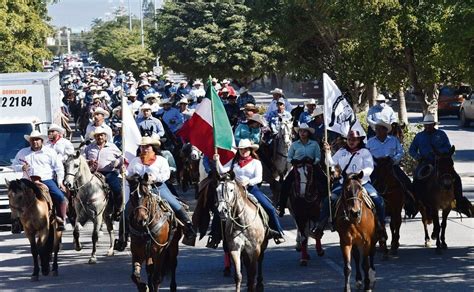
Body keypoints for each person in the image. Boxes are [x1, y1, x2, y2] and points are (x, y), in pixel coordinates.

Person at [115, 136, 196, 249]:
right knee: (126, 211)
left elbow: (166, 175)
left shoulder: (161, 160)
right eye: (142, 147)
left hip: (157, 187)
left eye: (147, 146)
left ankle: (189, 227)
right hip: (140, 190)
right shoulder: (135, 161)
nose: (144, 149)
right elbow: (129, 175)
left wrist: (155, 178)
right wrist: (124, 172)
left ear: (153, 147)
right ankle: (122, 238)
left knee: (175, 204)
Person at [312, 130, 387, 239]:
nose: (352, 142)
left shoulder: (364, 152)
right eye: (349, 139)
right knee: (330, 199)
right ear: (346, 140)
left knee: (377, 199)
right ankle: (321, 226)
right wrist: (327, 153)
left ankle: (381, 226)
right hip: (345, 183)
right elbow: (330, 163)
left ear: (359, 140)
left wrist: (361, 174)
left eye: (354, 140)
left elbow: (370, 166)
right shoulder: (342, 151)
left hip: (361, 182)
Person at [214, 139, 285, 244]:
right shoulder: (234, 162)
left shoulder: (256, 162)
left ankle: (277, 232)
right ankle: (215, 235)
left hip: (252, 189)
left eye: (246, 149)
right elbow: (222, 171)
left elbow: (259, 178)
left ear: (251, 150)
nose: (243, 151)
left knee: (269, 208)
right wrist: (217, 160)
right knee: (220, 209)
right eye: (241, 149)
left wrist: (248, 182)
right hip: (235, 191)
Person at [409, 114, 472, 217]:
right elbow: (412, 150)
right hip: (425, 162)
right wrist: (418, 157)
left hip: (440, 161)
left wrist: (439, 153)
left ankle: (458, 200)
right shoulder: (419, 136)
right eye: (426, 125)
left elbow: (447, 147)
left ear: (434, 124)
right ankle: (416, 202)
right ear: (424, 125)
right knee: (417, 178)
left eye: (430, 124)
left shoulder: (441, 134)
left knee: (456, 178)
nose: (428, 126)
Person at [13, 130, 67, 231]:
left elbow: (59, 168)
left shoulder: (50, 152)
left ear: (42, 141)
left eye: (37, 139)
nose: (35, 142)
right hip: (27, 180)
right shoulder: (23, 152)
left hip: (45, 179)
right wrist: (21, 167)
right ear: (30, 141)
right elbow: (14, 165)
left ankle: (61, 219)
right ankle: (16, 221)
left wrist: (60, 181)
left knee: (60, 196)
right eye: (33, 140)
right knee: (15, 195)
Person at [277, 124, 321, 216]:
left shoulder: (314, 144)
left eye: (304, 131)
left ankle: (325, 206)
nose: (302, 133)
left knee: (323, 181)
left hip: (312, 166)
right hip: (298, 166)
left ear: (308, 133)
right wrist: (294, 161)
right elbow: (289, 157)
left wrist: (313, 161)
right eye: (300, 131)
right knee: (286, 184)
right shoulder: (294, 144)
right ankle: (281, 206)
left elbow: (318, 157)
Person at [82, 128, 123, 220]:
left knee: (117, 190)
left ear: (105, 137)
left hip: (109, 172)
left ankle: (117, 210)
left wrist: (117, 162)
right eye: (97, 135)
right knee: (80, 188)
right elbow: (82, 159)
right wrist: (89, 162)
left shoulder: (112, 147)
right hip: (93, 173)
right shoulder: (89, 147)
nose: (99, 137)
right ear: (95, 137)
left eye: (101, 135)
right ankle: (81, 210)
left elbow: (121, 158)